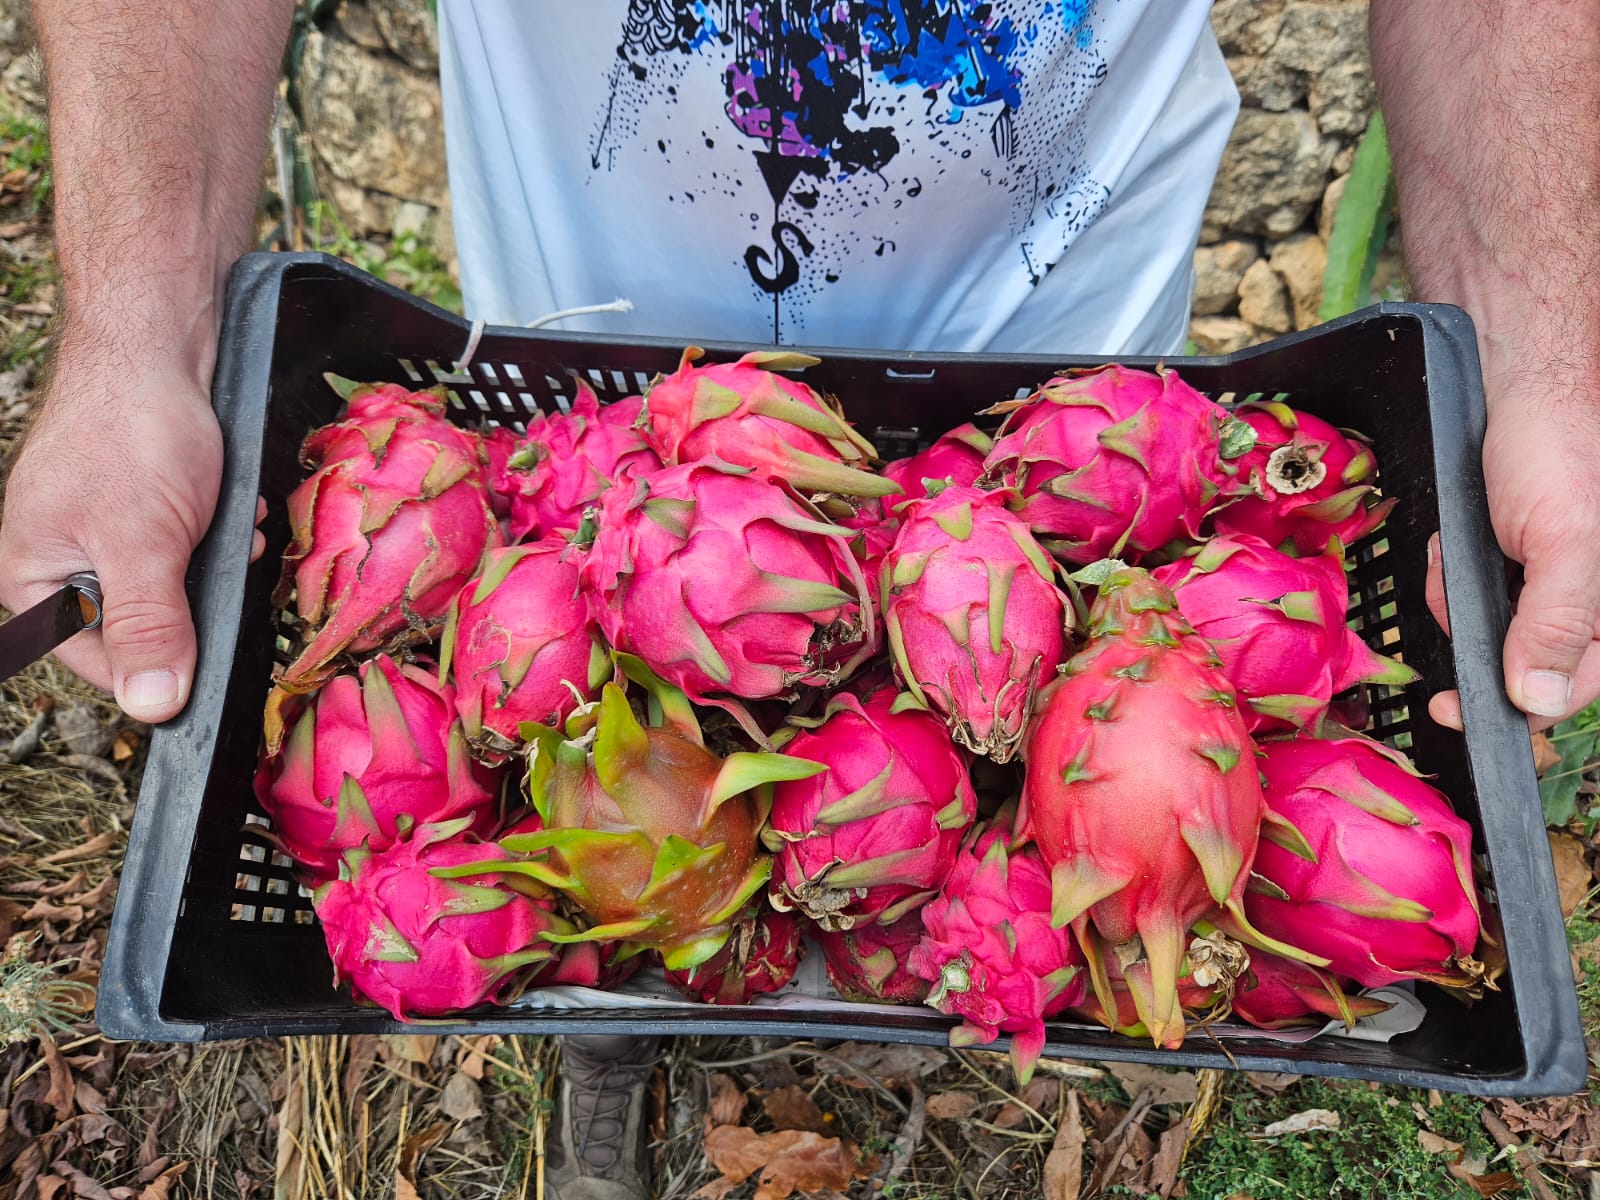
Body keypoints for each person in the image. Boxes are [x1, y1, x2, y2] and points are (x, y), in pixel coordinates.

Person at [3, 3, 1597, 1197]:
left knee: (744, 870)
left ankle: (661, 965)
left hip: (1080, 373)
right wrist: (131, 338)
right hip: (585, 335)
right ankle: (615, 1022)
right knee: (667, 899)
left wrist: (1542, 348)